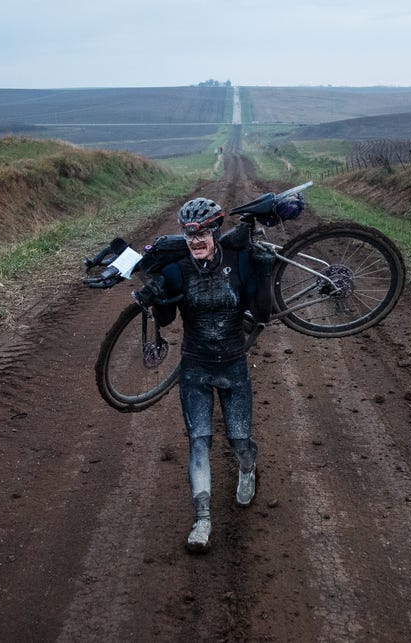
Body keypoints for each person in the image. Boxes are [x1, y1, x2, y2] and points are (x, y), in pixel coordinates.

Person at [133, 196, 274, 553]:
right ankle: (202, 519)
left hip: (234, 366)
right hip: (194, 368)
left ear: (215, 231)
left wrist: (263, 272)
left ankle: (247, 470)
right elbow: (166, 321)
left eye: (203, 234)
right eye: (188, 234)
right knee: (199, 440)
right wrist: (156, 296)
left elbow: (261, 312)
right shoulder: (178, 267)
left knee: (239, 442)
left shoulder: (239, 260)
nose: (195, 241)